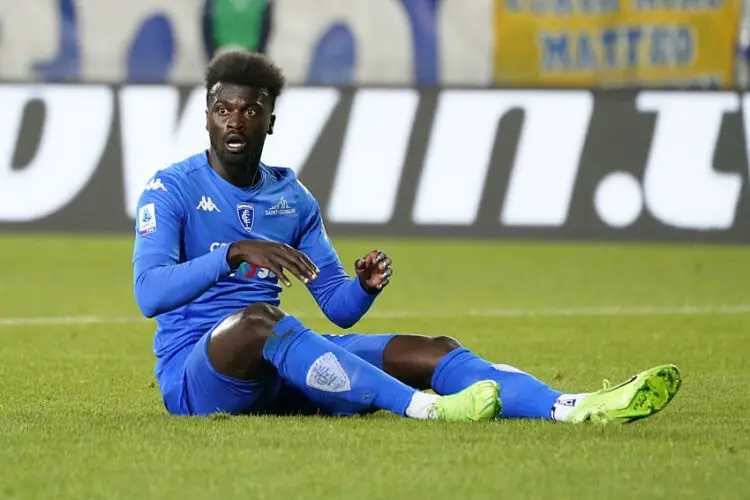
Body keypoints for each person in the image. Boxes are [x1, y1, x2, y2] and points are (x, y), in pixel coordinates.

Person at [132, 49, 682, 423]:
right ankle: (428, 410)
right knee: (259, 320)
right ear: (206, 116)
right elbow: (149, 293)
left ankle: (573, 406)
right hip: (197, 376)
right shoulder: (170, 190)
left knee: (434, 349)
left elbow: (338, 310)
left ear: (269, 122)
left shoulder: (291, 199)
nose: (235, 120)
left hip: (281, 365)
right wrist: (230, 254)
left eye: (250, 111)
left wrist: (363, 287)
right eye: (223, 109)